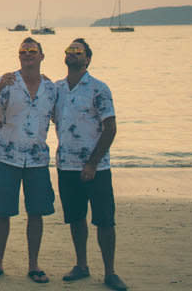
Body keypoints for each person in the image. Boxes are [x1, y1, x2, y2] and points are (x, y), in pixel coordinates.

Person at [0, 37, 58, 283]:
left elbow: (61, 119)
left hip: (37, 159)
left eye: (32, 51)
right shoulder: (8, 82)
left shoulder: (51, 88)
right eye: (23, 51)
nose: (27, 54)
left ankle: (34, 265)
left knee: (36, 213)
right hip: (7, 157)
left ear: (42, 56)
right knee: (1, 212)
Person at [54, 39, 127, 291]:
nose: (72, 54)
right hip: (66, 166)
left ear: (88, 59)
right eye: (69, 51)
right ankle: (81, 265)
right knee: (75, 218)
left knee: (105, 221)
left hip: (96, 168)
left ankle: (110, 272)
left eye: (78, 51)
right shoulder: (57, 89)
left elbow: (111, 128)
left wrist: (93, 164)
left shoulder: (99, 89)